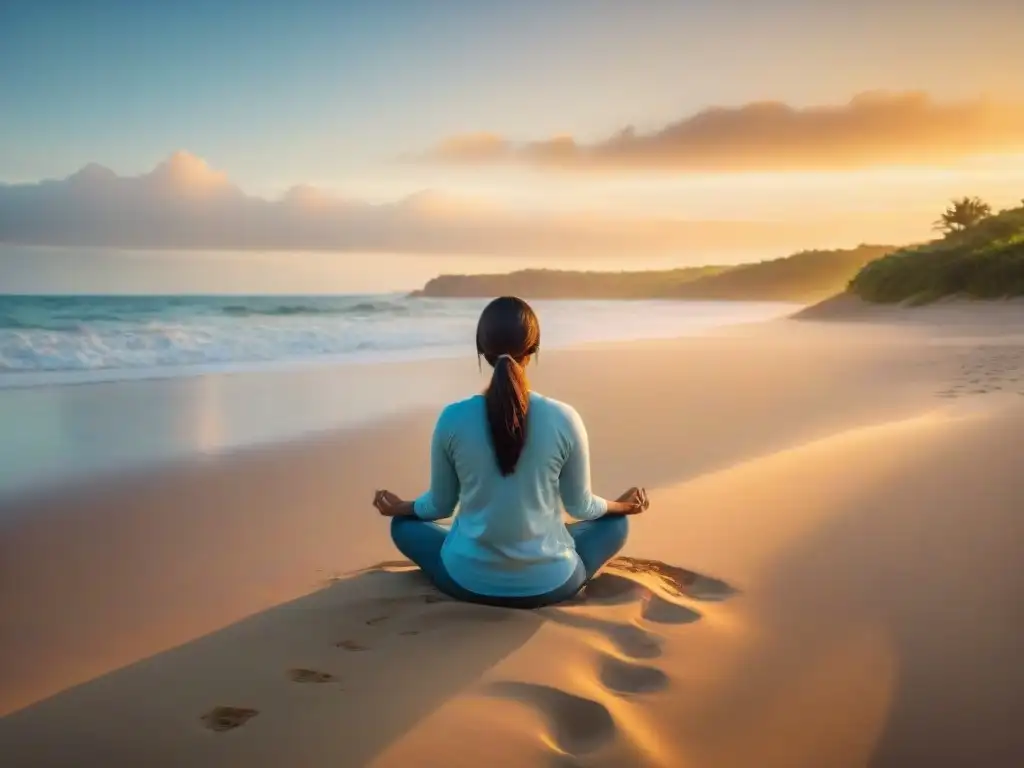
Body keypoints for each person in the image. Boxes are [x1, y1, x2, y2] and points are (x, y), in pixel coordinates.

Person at [372, 296, 649, 609]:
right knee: (616, 525)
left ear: (481, 350)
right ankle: (546, 542)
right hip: (552, 583)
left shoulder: (452, 417)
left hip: (467, 582)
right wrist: (621, 506)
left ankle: (480, 548)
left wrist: (399, 507)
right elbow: (582, 506)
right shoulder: (564, 417)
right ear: (534, 349)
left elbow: (439, 506)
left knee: (404, 526)